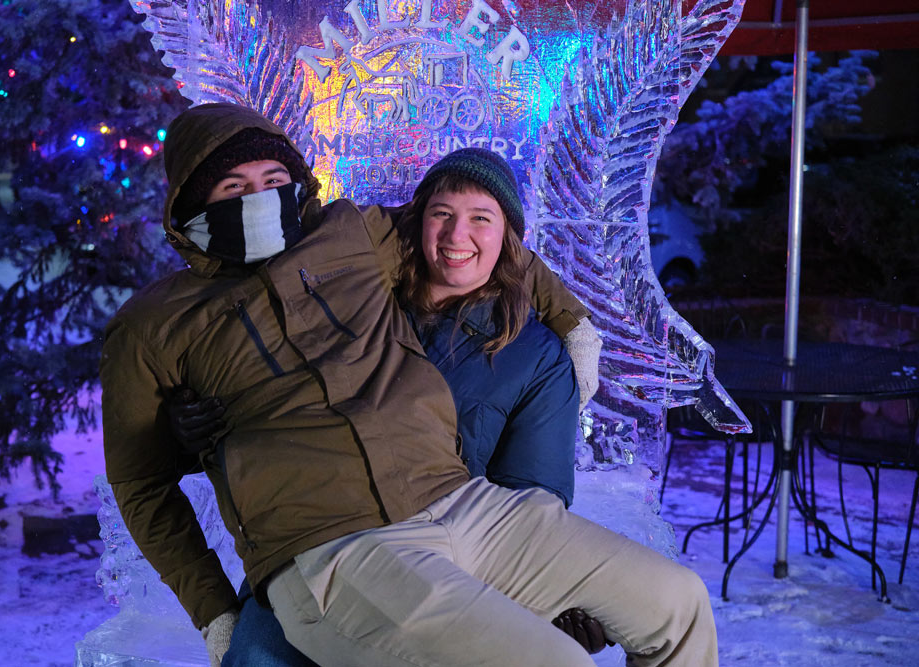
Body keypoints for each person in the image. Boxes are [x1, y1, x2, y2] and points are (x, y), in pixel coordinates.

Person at [101, 102, 716, 667]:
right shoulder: (152, 325)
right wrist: (213, 611)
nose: (260, 199)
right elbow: (141, 485)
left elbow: (478, 237)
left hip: (460, 503)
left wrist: (572, 318)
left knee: (679, 605)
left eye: (273, 180)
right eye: (234, 188)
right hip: (333, 548)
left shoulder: (346, 236)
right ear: (192, 202)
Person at [191, 148, 602, 666]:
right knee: (260, 654)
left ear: (508, 238)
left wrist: (543, 603)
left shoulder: (535, 357)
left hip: (448, 558)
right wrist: (199, 429)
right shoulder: (356, 297)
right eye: (441, 214)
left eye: (481, 218)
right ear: (418, 220)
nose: (456, 235)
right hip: (315, 541)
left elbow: (531, 499)